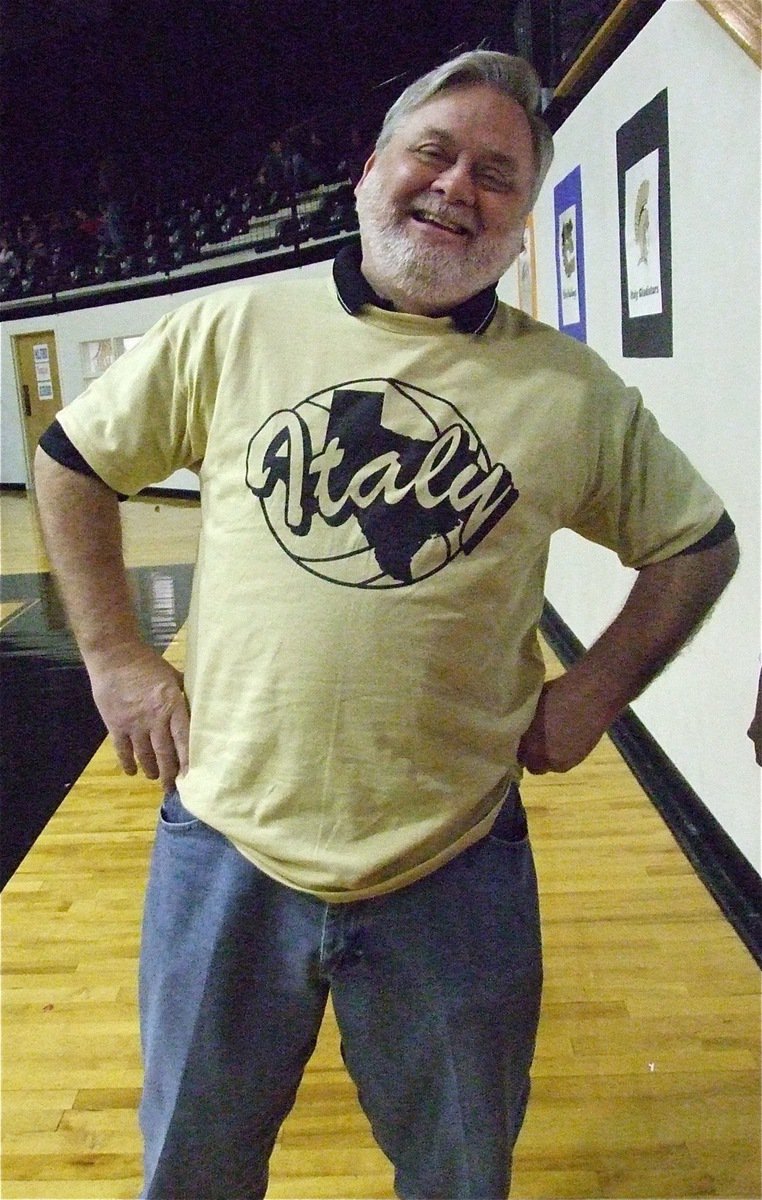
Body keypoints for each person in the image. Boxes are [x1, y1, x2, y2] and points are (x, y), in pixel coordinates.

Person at [34, 50, 738, 1200]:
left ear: (523, 223)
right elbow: (72, 464)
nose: (459, 187)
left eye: (498, 175)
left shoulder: (569, 393)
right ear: (370, 173)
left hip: (452, 861)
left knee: (461, 1175)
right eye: (435, 152)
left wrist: (595, 694)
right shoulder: (236, 326)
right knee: (194, 1170)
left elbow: (698, 546)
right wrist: (115, 655)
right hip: (226, 841)